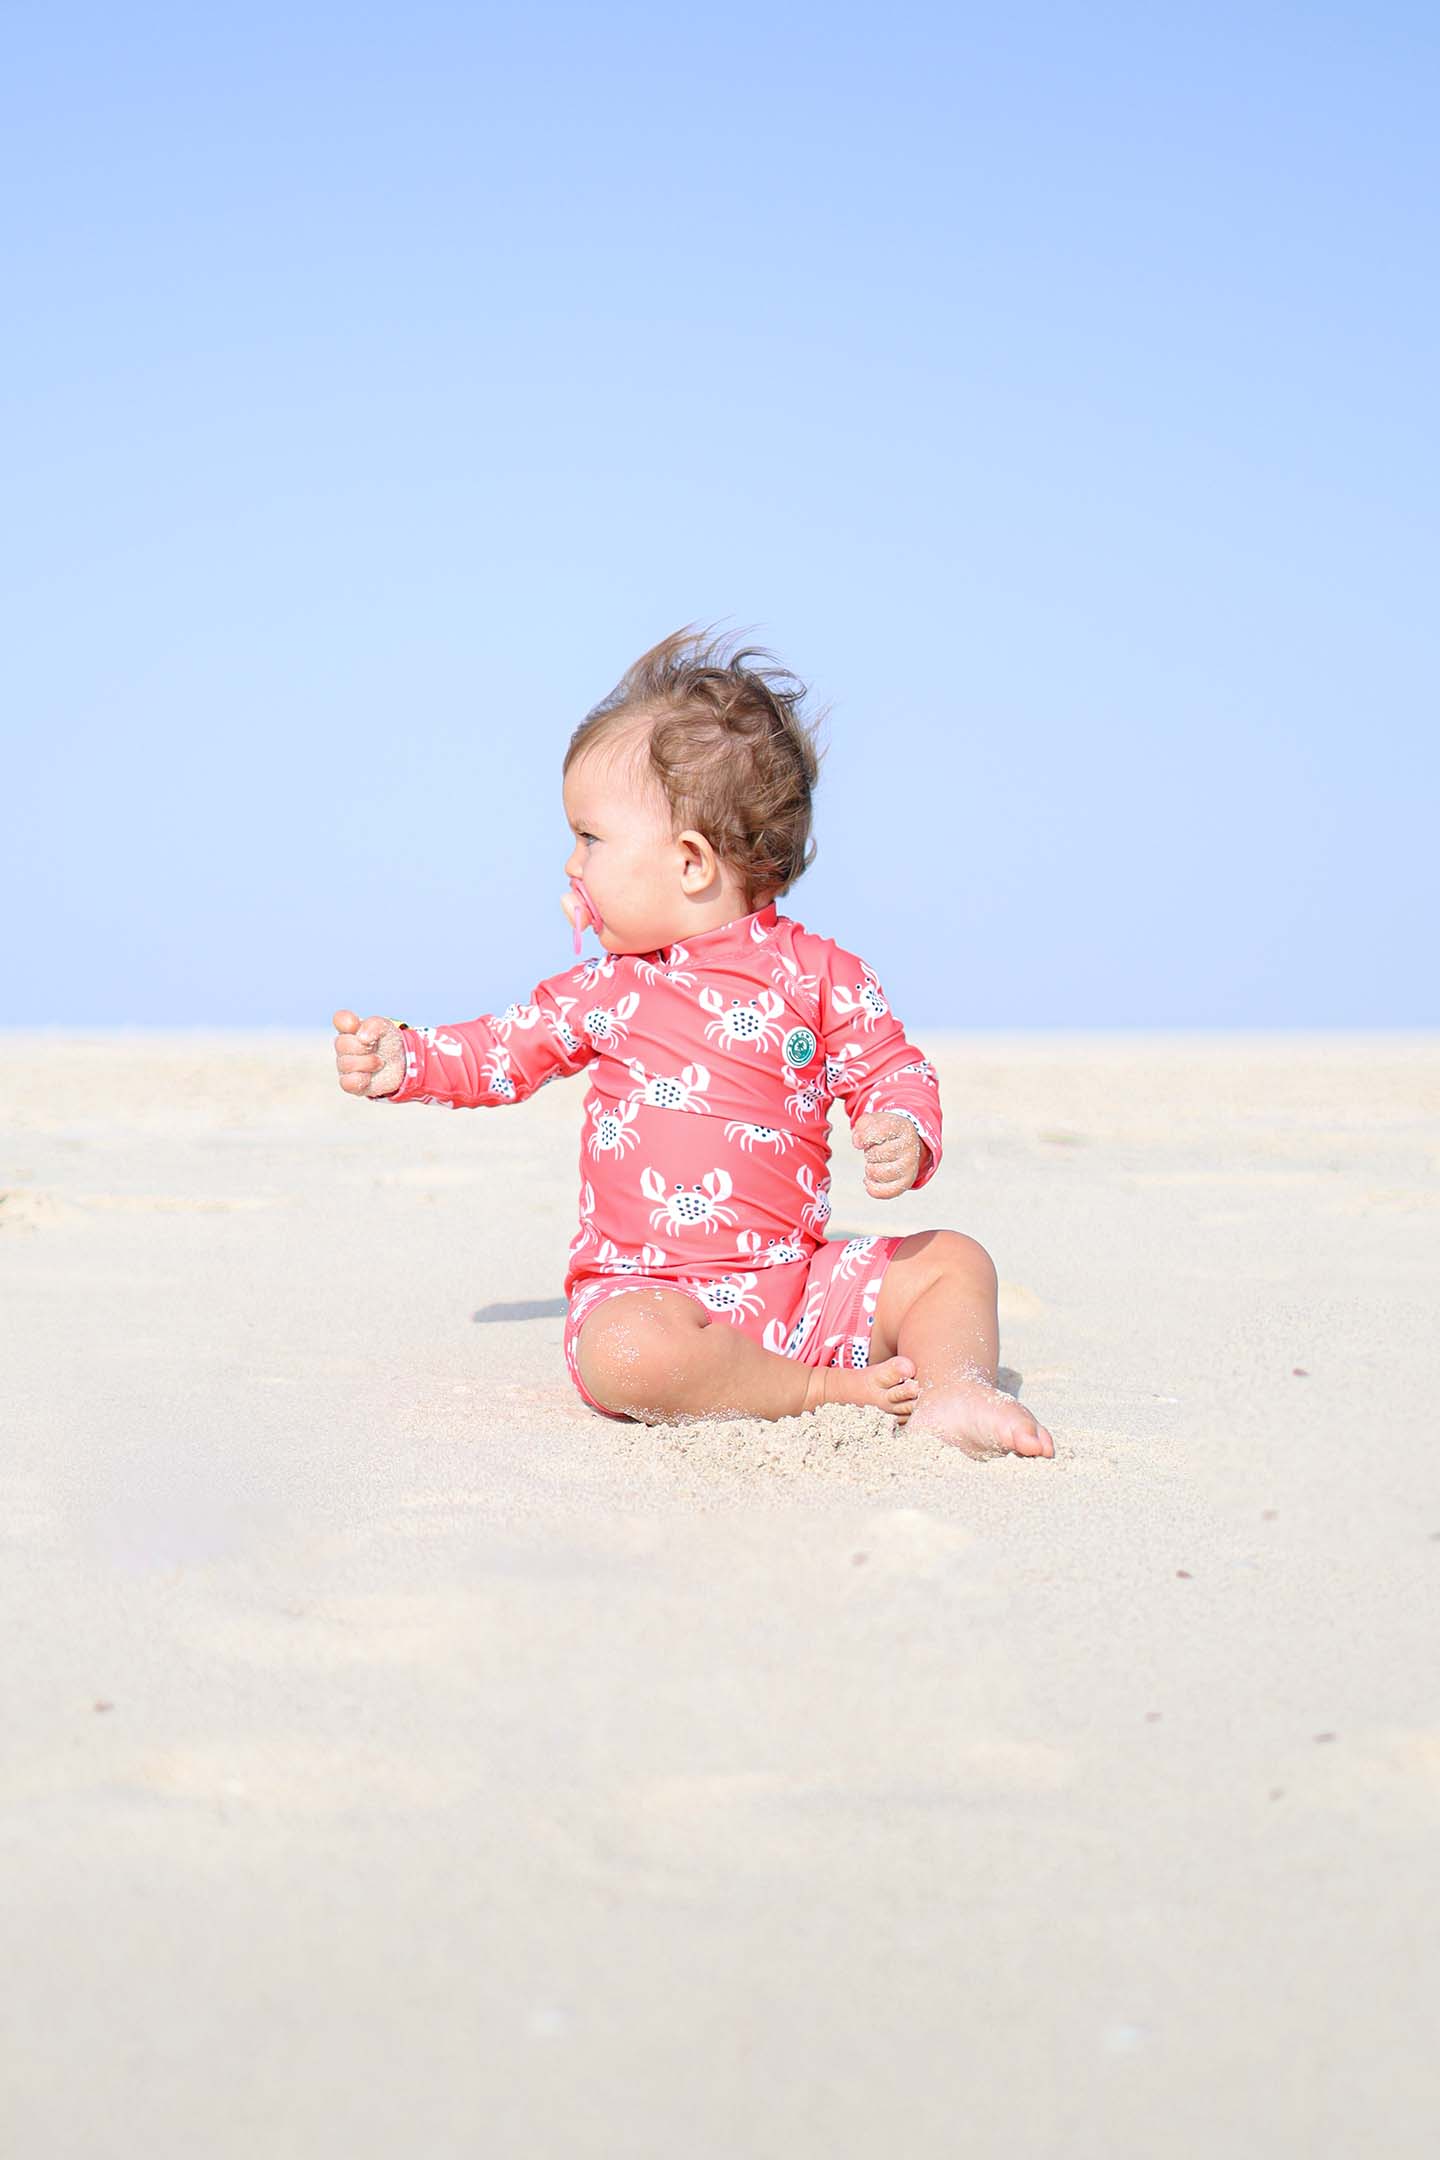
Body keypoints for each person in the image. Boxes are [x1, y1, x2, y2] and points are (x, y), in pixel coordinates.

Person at [333, 628, 1053, 1461]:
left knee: (955, 1262)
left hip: (799, 1284)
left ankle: (955, 1385)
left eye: (590, 838)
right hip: (654, 1293)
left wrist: (902, 1128)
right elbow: (500, 1049)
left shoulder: (821, 974)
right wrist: (410, 1059)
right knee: (624, 1355)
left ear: (689, 864)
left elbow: (889, 1066)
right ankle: (815, 1390)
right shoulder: (608, 989)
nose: (570, 865)